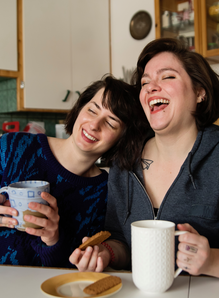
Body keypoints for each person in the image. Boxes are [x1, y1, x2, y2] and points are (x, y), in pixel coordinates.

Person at [70, 38, 219, 278]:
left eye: (167, 77)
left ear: (199, 92)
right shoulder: (125, 161)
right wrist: (105, 252)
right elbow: (121, 241)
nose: (150, 87)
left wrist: (212, 260)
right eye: (145, 82)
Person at [0, 74, 148, 267]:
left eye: (111, 123)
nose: (94, 125)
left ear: (122, 139)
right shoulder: (13, 146)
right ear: (79, 108)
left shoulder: (105, 193)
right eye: (92, 110)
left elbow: (69, 269)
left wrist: (53, 239)